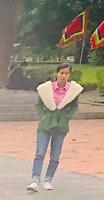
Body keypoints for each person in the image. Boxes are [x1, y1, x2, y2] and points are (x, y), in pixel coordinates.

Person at [27, 62, 82, 192]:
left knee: (55, 155)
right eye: (61, 73)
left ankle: (48, 179)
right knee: (40, 152)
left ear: (70, 75)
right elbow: (39, 105)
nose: (63, 76)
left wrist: (65, 117)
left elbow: (73, 107)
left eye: (66, 73)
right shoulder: (46, 89)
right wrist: (44, 117)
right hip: (45, 125)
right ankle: (35, 180)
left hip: (61, 126)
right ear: (56, 73)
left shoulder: (73, 91)